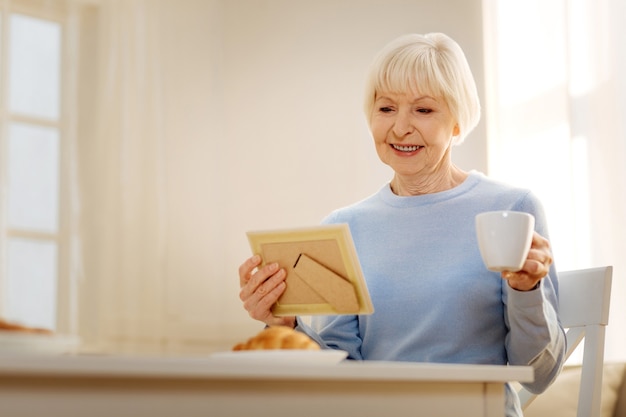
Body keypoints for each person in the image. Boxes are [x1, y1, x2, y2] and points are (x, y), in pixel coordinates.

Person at [238, 32, 565, 417]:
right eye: (387, 108)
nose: (400, 128)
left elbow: (539, 375)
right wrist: (288, 324)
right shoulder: (344, 227)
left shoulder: (512, 209)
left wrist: (527, 289)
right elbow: (340, 376)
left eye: (423, 111)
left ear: (458, 123)